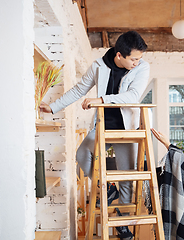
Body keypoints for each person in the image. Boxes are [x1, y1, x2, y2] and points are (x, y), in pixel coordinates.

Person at [40, 31, 149, 240]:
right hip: (102, 126)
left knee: (126, 178)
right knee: (82, 154)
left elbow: (133, 95)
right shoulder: (99, 65)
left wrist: (100, 99)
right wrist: (52, 108)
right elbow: (79, 90)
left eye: (139, 58)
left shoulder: (142, 67)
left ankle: (122, 222)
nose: (138, 62)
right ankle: (108, 188)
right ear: (119, 55)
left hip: (125, 130)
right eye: (134, 58)